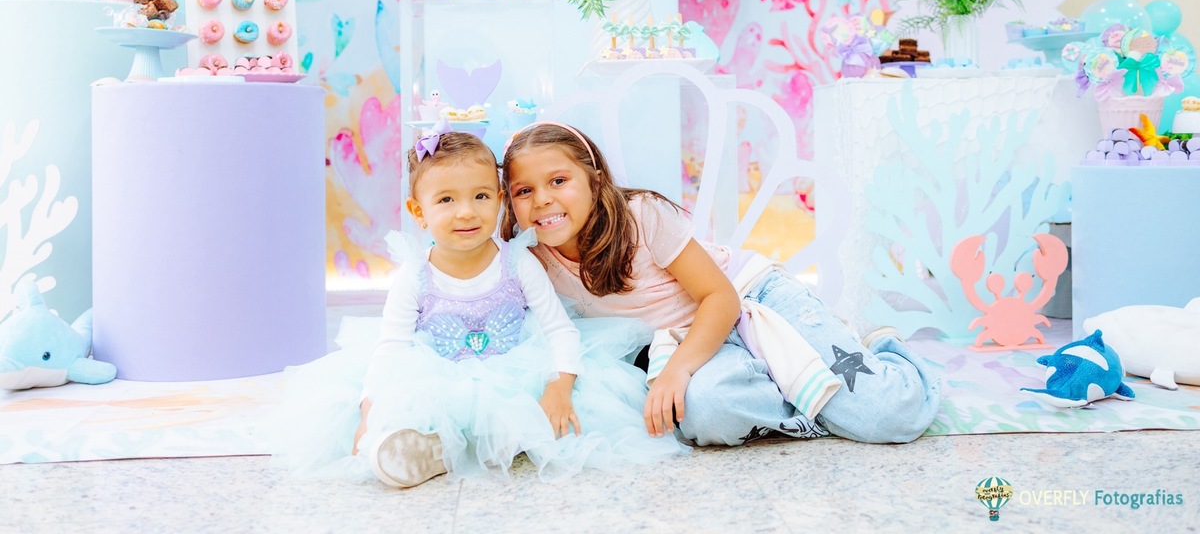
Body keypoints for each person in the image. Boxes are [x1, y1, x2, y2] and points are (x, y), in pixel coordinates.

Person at [271, 124, 684, 489]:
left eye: (481, 196)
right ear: (418, 212)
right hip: (439, 376)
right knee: (410, 408)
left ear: (500, 200)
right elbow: (390, 349)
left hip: (515, 373)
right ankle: (415, 448)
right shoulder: (414, 276)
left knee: (551, 415)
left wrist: (559, 388)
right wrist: (370, 411)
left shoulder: (519, 261)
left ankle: (500, 441)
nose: (466, 212)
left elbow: (560, 329)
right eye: (446, 200)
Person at [500, 121, 941, 447]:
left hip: (748, 299)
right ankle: (793, 383)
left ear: (595, 182)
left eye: (559, 181)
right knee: (705, 415)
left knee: (887, 417)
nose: (543, 200)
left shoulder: (641, 215)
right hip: (692, 343)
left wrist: (676, 371)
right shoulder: (530, 256)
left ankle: (880, 351)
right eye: (524, 191)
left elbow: (719, 296)